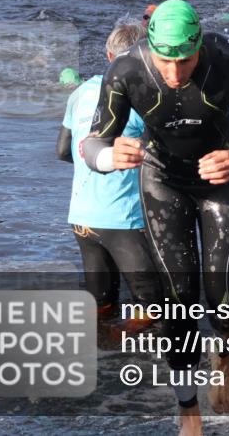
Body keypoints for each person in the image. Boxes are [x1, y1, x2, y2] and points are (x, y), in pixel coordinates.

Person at [81, 0, 229, 435]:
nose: (176, 72)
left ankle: (225, 348)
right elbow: (90, 144)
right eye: (166, 61)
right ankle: (187, 408)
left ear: (200, 45)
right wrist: (108, 156)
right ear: (151, 49)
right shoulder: (125, 69)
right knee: (177, 298)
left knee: (222, 290)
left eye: (185, 60)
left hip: (222, 177)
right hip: (163, 181)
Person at [57, 23, 161, 328]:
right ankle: (118, 345)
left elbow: (63, 150)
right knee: (153, 309)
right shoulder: (146, 96)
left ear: (107, 54)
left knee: (100, 305)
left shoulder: (81, 91)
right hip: (123, 219)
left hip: (81, 217)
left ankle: (97, 350)